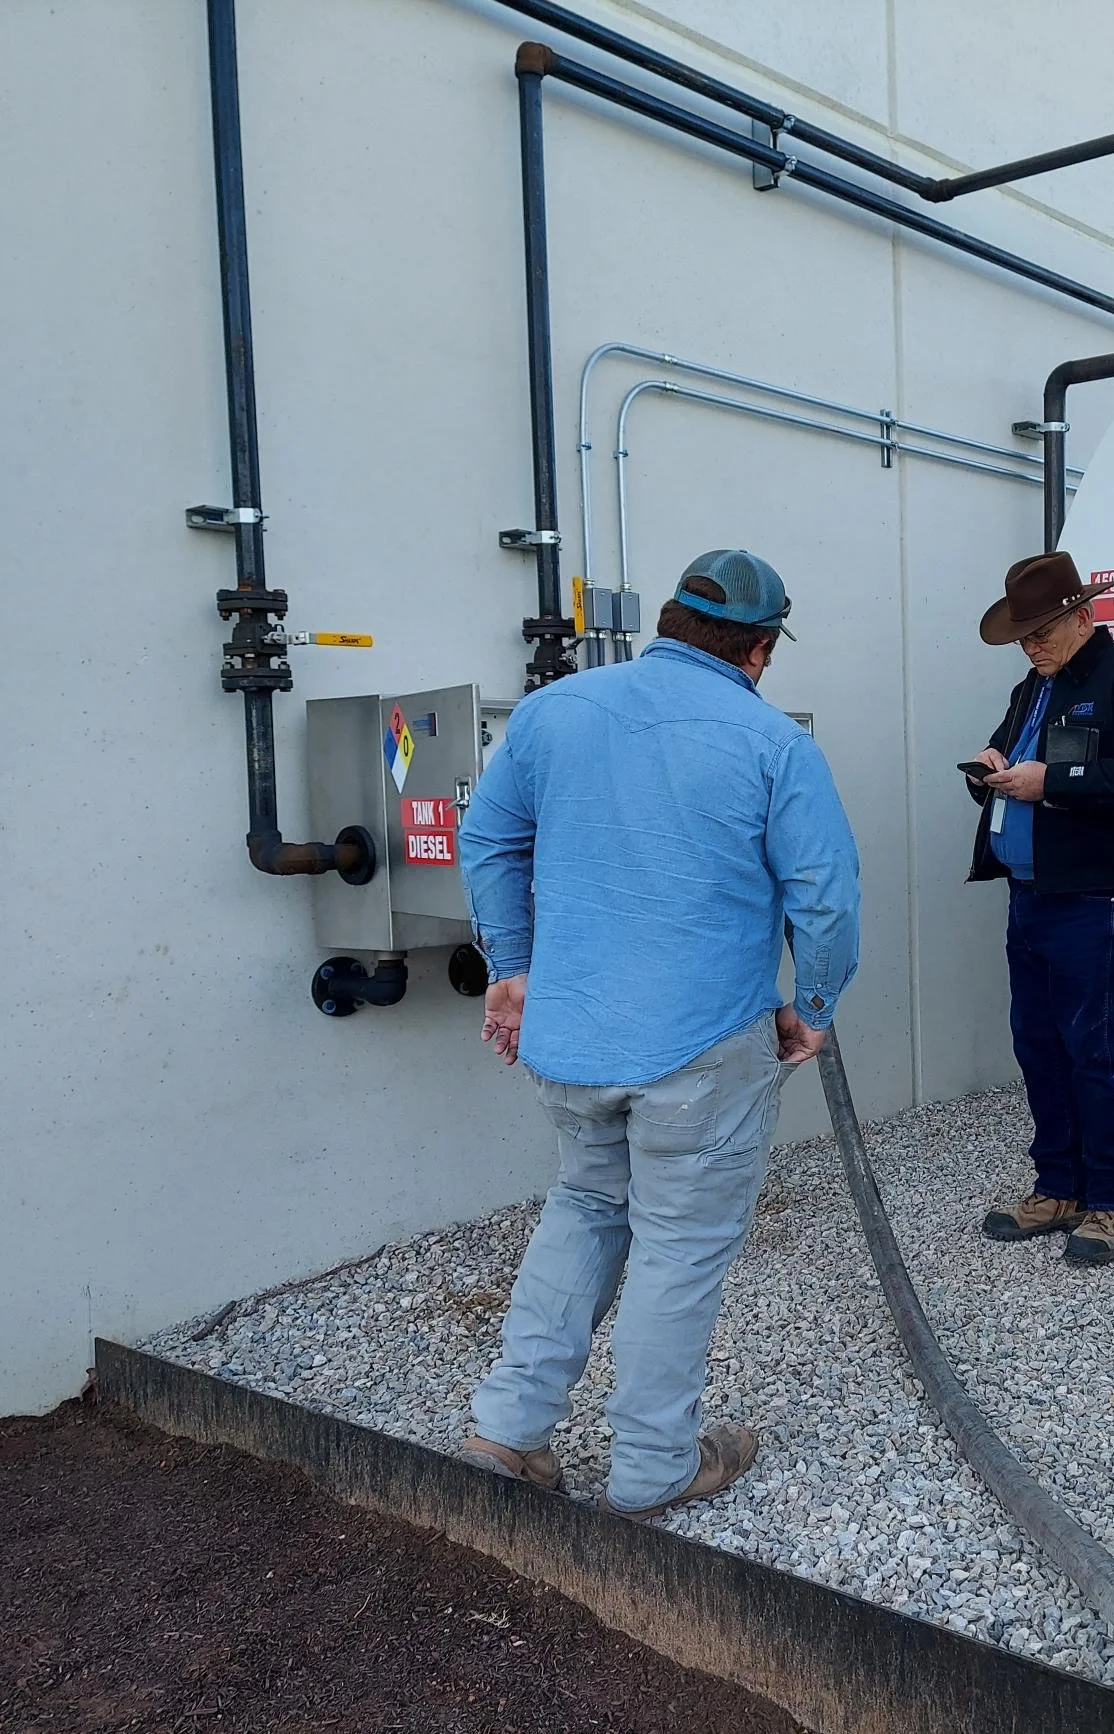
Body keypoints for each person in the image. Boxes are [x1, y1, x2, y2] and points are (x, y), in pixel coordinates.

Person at [454, 549, 861, 1517]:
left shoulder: (552, 711)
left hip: (570, 1035)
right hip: (701, 1045)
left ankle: (505, 1431)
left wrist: (513, 968)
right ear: (759, 650)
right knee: (678, 1246)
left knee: (584, 1206)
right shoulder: (772, 744)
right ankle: (650, 1467)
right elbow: (826, 901)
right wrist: (814, 1005)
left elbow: (488, 838)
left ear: (668, 623)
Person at [966, 551, 1114, 1268]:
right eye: (1024, 636)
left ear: (1082, 618)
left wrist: (1051, 781)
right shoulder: (1035, 685)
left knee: (1091, 1046)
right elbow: (1022, 766)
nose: (1031, 646)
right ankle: (1059, 1186)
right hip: (1032, 890)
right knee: (1038, 1043)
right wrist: (994, 772)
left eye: (1041, 632)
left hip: (1093, 894)